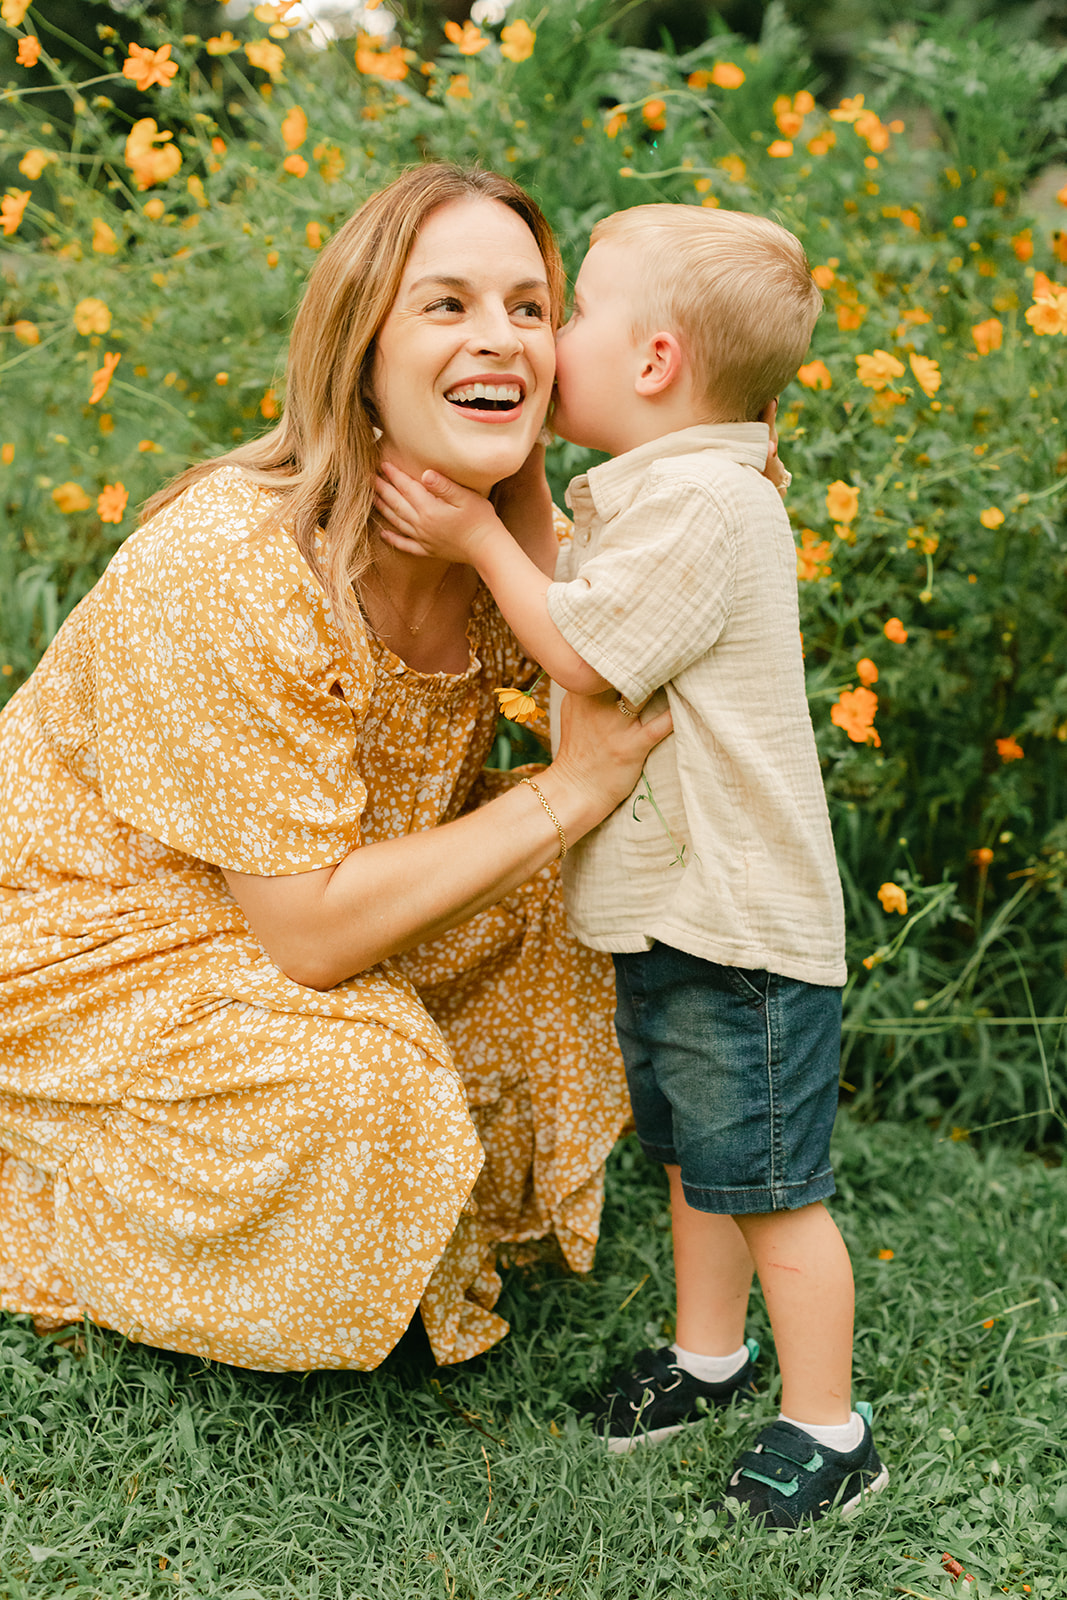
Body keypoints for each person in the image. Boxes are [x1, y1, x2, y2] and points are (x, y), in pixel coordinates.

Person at [0, 165, 674, 1373]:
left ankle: (414, 1210)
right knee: (364, 1091)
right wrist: (565, 793)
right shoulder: (233, 564)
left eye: (531, 309)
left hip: (267, 911)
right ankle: (52, 1185)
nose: (501, 340)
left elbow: (628, 668)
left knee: (564, 912)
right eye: (447, 305)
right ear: (356, 347)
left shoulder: (480, 539)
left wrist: (684, 485)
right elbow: (309, 937)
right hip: (82, 942)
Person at [372, 202, 889, 1526]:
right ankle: (708, 1356)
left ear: (654, 362)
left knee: (771, 1192)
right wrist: (516, 503)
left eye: (570, 313)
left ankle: (827, 1427)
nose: (548, 342)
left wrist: (476, 534)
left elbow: (586, 650)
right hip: (676, 918)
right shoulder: (667, 491)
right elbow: (587, 597)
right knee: (694, 1162)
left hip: (739, 929)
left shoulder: (708, 506)